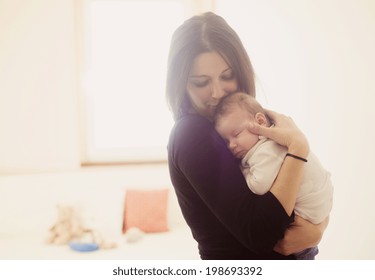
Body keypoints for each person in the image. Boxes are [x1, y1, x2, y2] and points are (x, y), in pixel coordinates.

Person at [166, 11, 329, 260]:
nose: (217, 93)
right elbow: (262, 233)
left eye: (227, 76)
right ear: (182, 84)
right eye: (201, 82)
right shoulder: (191, 133)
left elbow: (305, 186)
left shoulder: (243, 119)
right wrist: (297, 147)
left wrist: (318, 228)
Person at [214, 92, 333, 259]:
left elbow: (259, 186)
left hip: (306, 220)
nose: (232, 145)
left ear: (260, 121)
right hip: (318, 214)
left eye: (236, 134)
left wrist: (241, 172)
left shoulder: (266, 149)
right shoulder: (273, 141)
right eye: (226, 141)